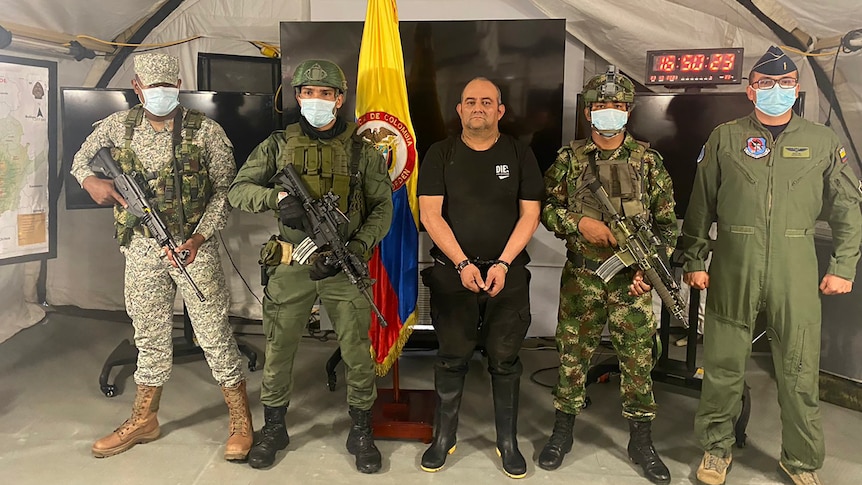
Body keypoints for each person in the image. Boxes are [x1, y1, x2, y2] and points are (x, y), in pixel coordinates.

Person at [683, 46, 862, 485]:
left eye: (783, 84)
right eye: (765, 83)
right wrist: (693, 257)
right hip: (733, 262)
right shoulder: (724, 137)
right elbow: (700, 204)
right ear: (750, 91)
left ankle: (800, 460)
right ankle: (715, 450)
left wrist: (843, 265)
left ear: (796, 90)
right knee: (723, 364)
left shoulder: (822, 141)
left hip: (795, 264)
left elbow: (848, 209)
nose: (774, 91)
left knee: (799, 370)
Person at [70, 52, 252, 461]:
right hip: (141, 248)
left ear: (179, 87)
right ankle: (144, 419)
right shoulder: (118, 126)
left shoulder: (206, 132)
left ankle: (241, 421)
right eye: (153, 89)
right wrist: (89, 182)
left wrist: (201, 237)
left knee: (214, 334)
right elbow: (81, 160)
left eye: (169, 89)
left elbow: (227, 191)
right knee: (149, 337)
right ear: (137, 88)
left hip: (192, 250)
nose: (161, 96)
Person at [227, 59, 393, 474]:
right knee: (280, 347)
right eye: (307, 92)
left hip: (344, 264)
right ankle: (275, 427)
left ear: (339, 99)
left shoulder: (363, 151)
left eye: (325, 94)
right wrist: (277, 200)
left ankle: (360, 427)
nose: (315, 101)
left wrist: (356, 247)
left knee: (357, 349)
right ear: (297, 96)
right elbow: (238, 191)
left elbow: (382, 209)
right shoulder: (276, 146)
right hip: (290, 264)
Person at [539, 66, 677, 485]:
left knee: (637, 361)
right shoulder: (568, 160)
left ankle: (641, 440)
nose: (608, 112)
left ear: (628, 111)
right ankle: (562, 431)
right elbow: (545, 209)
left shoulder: (648, 163)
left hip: (631, 282)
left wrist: (647, 272)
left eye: (616, 106)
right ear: (588, 112)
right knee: (571, 356)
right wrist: (578, 224)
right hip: (582, 278)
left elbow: (668, 226)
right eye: (600, 105)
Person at [417, 77, 543, 479]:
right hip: (454, 274)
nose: (478, 108)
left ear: (500, 111)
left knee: (505, 361)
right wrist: (462, 264)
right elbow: (430, 215)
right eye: (470, 101)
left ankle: (507, 442)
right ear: (459, 109)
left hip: (507, 274)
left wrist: (503, 264)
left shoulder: (520, 154)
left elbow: (531, 215)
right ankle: (444, 438)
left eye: (487, 102)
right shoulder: (440, 153)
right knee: (451, 358)